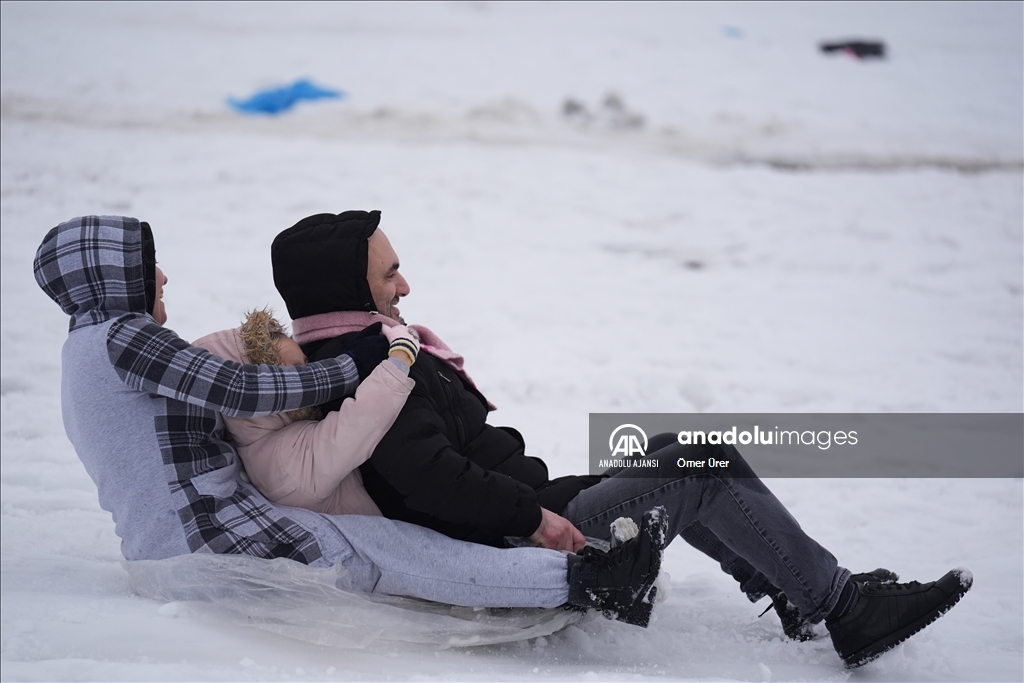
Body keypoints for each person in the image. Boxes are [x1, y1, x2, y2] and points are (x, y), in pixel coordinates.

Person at [270, 209, 973, 669]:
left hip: (524, 511)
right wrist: (536, 516)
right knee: (702, 466)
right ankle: (846, 609)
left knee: (677, 445)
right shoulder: (375, 369)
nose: (407, 284)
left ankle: (794, 590)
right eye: (389, 272)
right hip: (521, 541)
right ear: (345, 286)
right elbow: (430, 478)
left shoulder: (372, 352)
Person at [32, 214, 670, 628]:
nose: (162, 274)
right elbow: (243, 387)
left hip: (182, 541)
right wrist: (365, 363)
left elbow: (230, 377)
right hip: (208, 541)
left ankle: (576, 578)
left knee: (380, 548)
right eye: (146, 263)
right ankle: (587, 582)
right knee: (383, 551)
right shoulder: (120, 337)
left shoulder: (88, 352)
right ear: (110, 276)